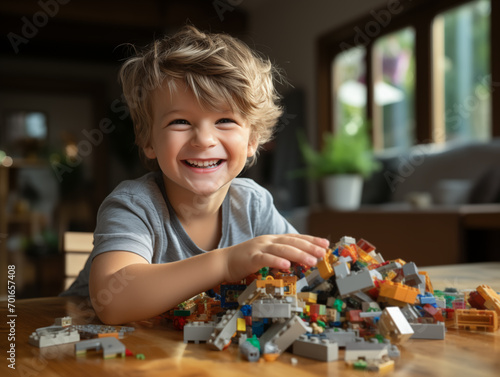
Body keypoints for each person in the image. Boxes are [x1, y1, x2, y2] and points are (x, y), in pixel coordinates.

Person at [62, 25, 328, 325]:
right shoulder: (134, 205)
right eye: (180, 121)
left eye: (225, 120)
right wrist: (226, 263)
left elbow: (310, 272)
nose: (204, 140)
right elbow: (113, 303)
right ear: (148, 140)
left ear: (253, 140)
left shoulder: (253, 205)